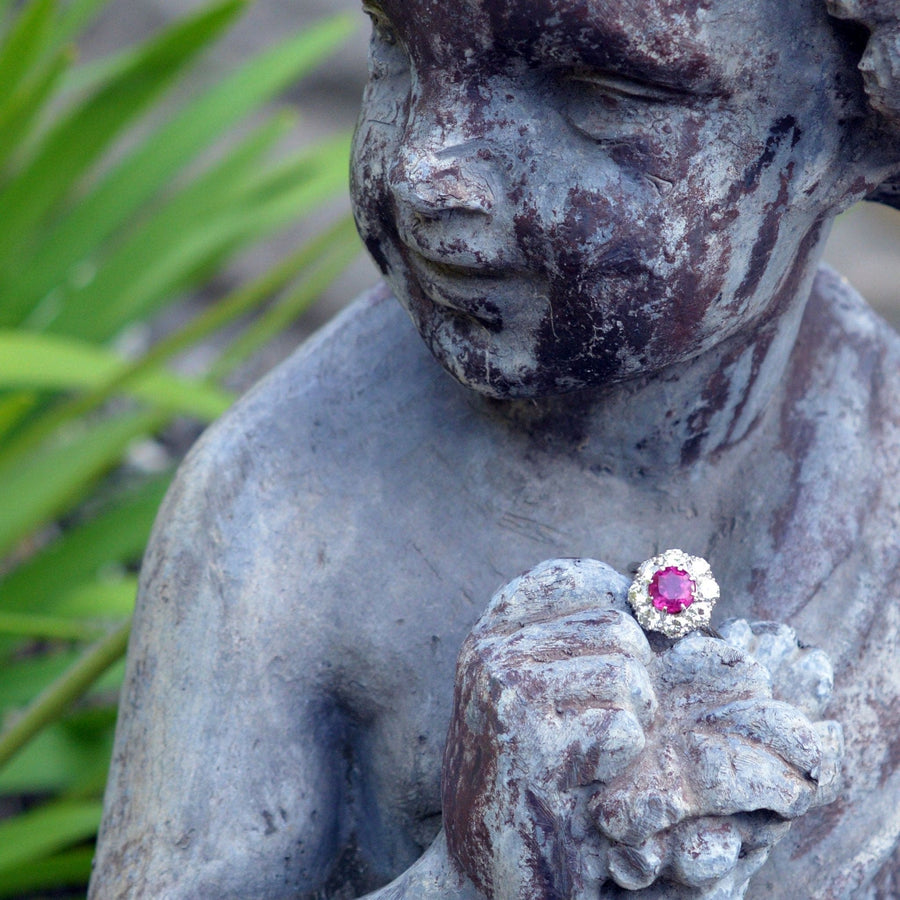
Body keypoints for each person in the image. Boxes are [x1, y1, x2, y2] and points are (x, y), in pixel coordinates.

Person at [89, 0, 900, 896]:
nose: (427, 170)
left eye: (596, 93)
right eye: (398, 50)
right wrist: (470, 878)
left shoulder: (877, 442)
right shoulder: (281, 512)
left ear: (867, 120)